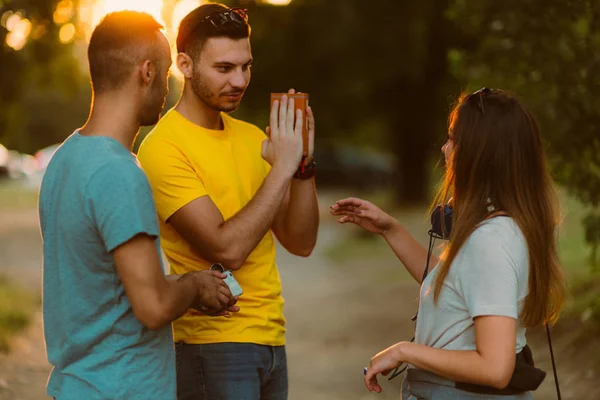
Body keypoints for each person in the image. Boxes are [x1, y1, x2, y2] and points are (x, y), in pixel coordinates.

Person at [38, 11, 236, 400]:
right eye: (165, 74)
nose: (167, 88)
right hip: (121, 388)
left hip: (75, 386)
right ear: (146, 72)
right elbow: (152, 305)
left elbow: (102, 284)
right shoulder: (119, 174)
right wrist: (194, 286)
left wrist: (184, 283)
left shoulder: (65, 159)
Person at [331, 88, 567, 399]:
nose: (444, 149)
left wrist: (405, 351)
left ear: (478, 155)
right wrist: (391, 229)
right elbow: (455, 287)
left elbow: (495, 368)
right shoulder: (498, 228)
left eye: (453, 139)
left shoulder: (490, 242)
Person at [137, 3, 319, 400]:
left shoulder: (253, 138)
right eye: (224, 68)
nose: (239, 80)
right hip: (211, 346)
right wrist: (282, 167)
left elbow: (301, 243)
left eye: (246, 66)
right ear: (184, 64)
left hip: (271, 337)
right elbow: (227, 248)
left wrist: (301, 164)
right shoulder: (163, 148)